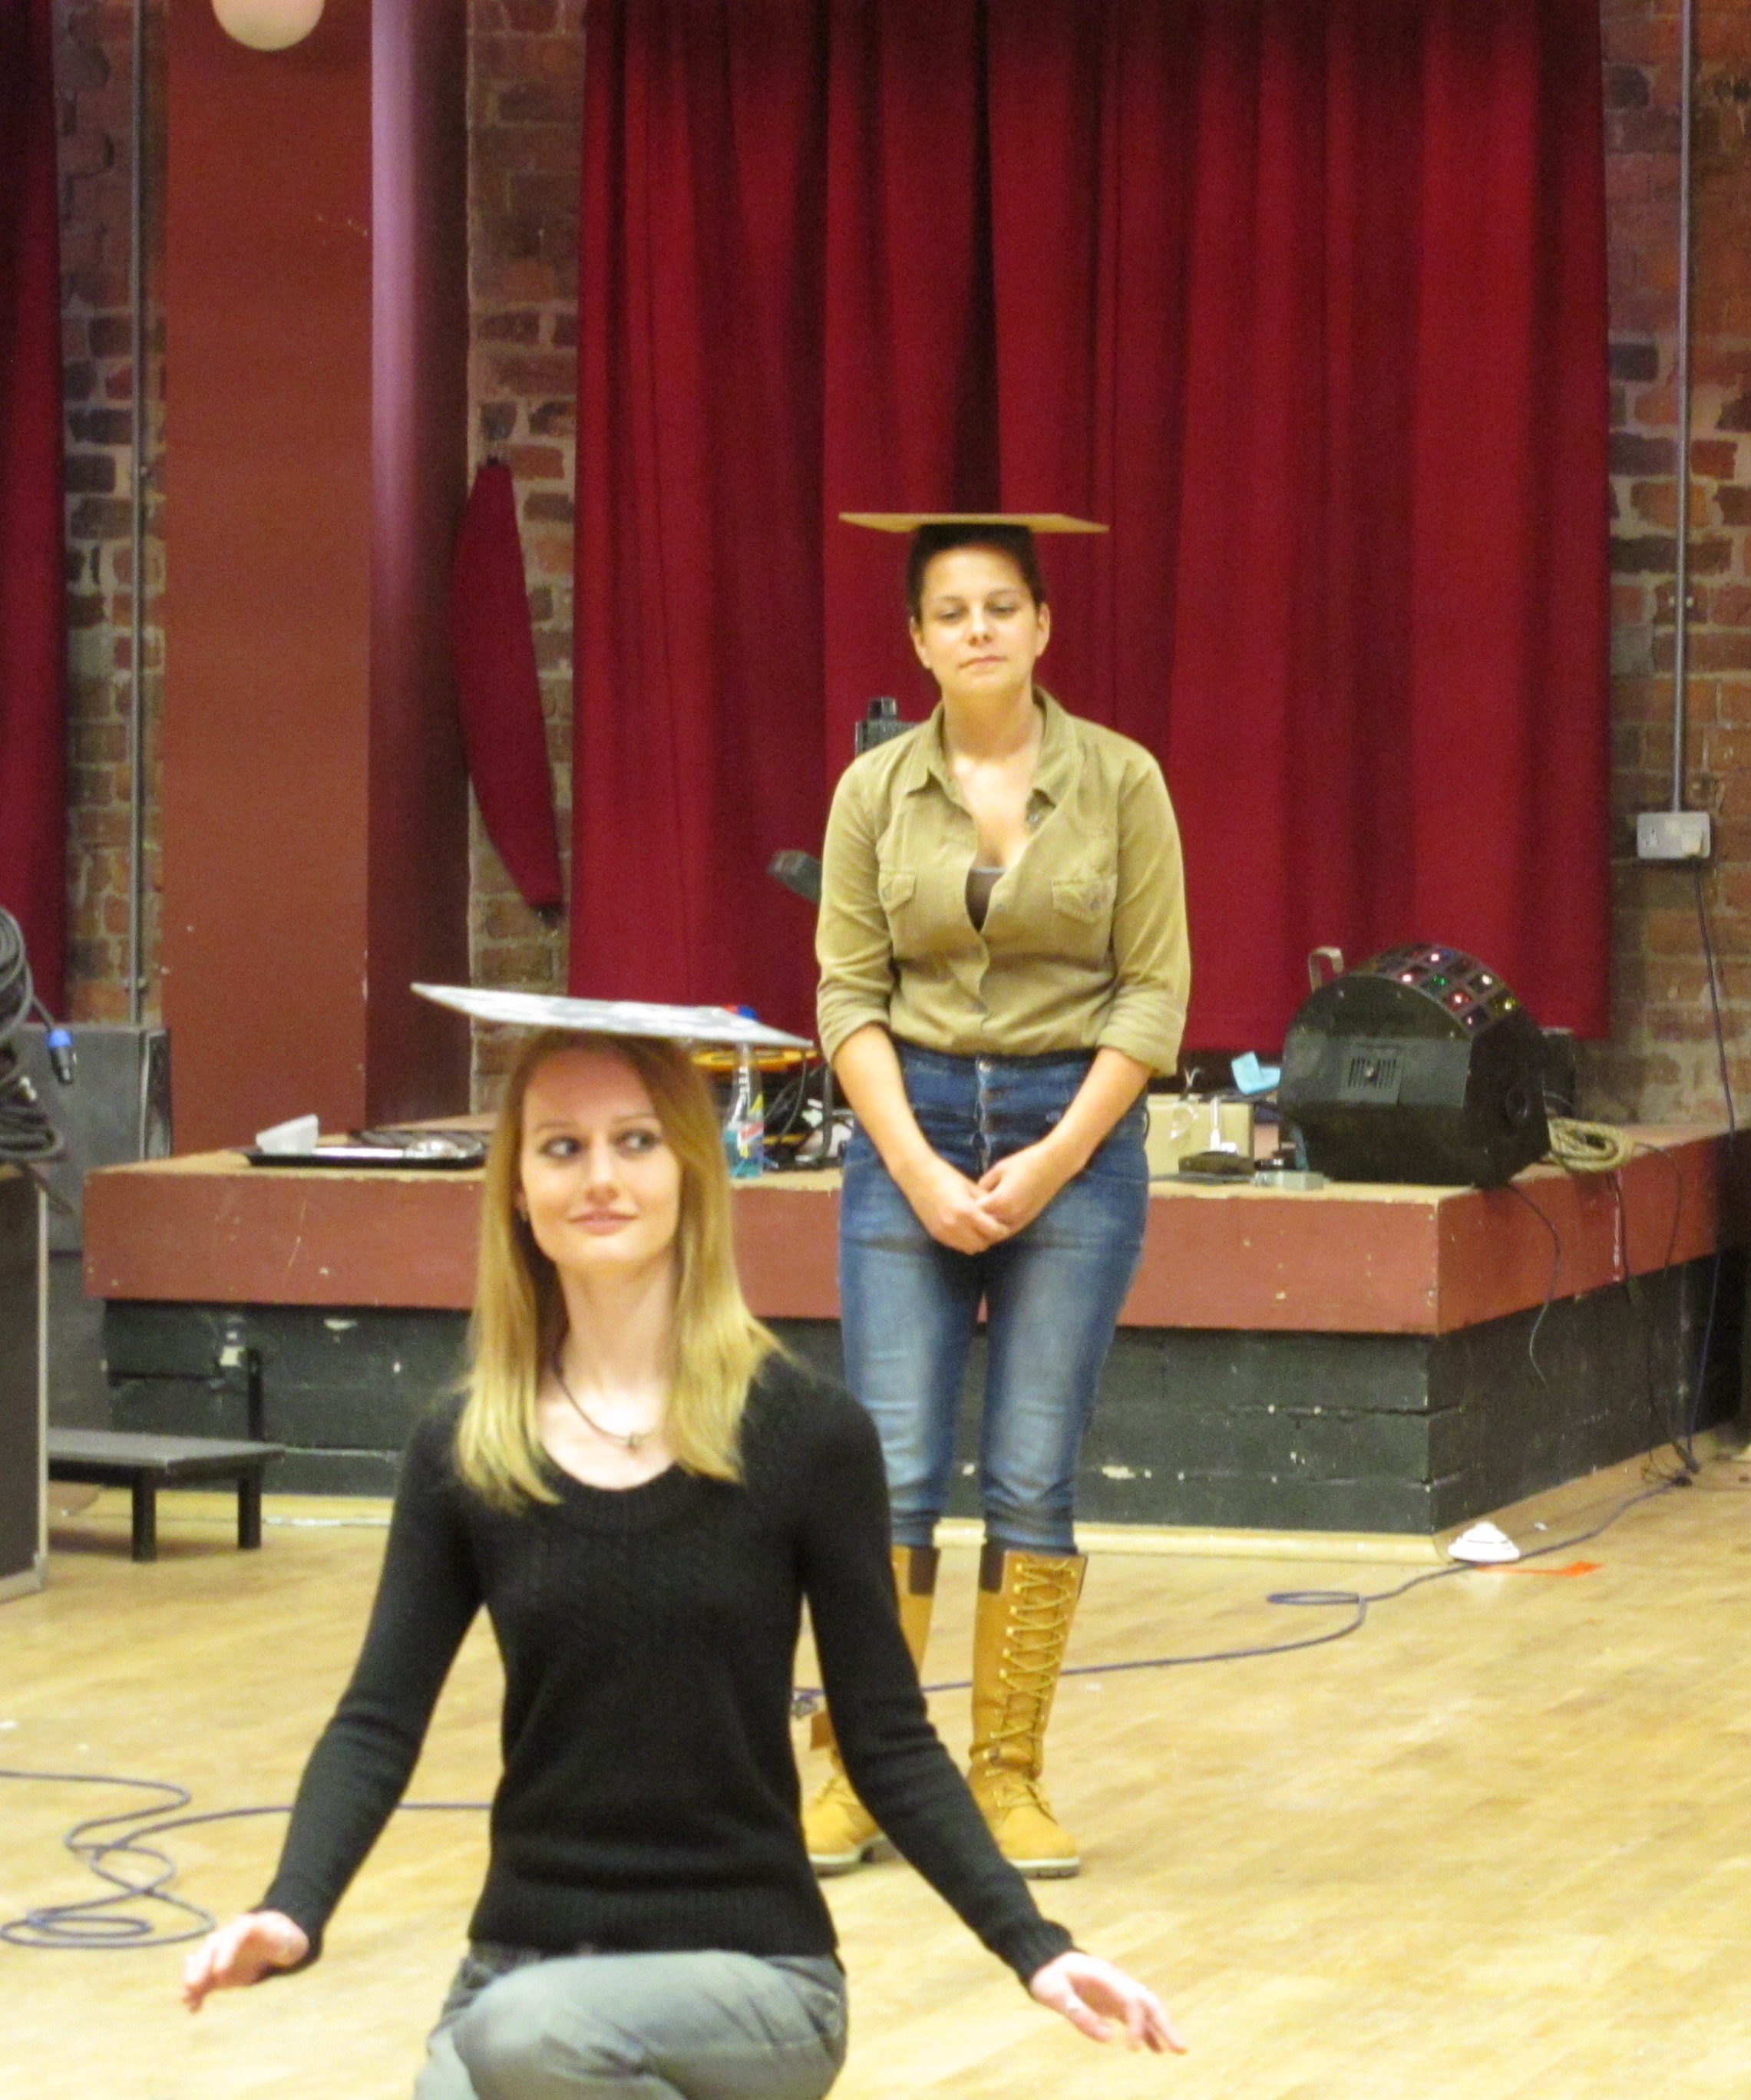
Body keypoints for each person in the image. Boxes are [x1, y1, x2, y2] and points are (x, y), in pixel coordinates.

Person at [179, 1027, 1183, 2092]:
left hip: (754, 1980)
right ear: (517, 1189)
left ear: (692, 1174)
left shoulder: (807, 1434)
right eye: (561, 1148)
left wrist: (1036, 1946)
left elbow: (887, 1740)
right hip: (521, 1966)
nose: (600, 1178)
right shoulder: (467, 1448)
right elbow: (378, 1721)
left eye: (636, 1142)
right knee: (508, 2044)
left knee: (527, 2041)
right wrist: (291, 1910)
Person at [808, 519, 1188, 1880]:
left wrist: (1058, 1156)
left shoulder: (1123, 781)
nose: (978, 629)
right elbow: (847, 994)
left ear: (1042, 626)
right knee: (890, 1469)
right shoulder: (872, 791)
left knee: (1031, 1470)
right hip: (903, 1131)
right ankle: (859, 1772)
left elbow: (1153, 995)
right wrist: (914, 1164)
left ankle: (1009, 1778)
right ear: (917, 641)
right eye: (951, 612)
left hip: (1072, 1132)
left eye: (1001, 607)